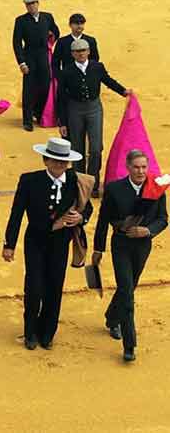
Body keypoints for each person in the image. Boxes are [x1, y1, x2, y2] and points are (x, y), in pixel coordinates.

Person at [3, 137, 93, 350]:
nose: (60, 165)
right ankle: (30, 332)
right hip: (35, 239)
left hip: (60, 242)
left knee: (54, 287)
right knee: (34, 287)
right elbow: (16, 214)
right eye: (55, 160)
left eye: (63, 162)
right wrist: (9, 244)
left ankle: (47, 333)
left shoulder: (75, 181)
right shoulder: (29, 181)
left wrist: (81, 219)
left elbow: (86, 208)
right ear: (45, 160)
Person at [93, 149, 168, 362]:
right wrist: (98, 249)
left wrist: (149, 230)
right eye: (136, 167)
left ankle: (112, 317)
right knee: (127, 291)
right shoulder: (115, 189)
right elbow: (103, 220)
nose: (141, 171)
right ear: (127, 167)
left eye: (144, 167)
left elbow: (163, 219)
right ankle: (129, 345)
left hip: (143, 245)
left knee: (130, 285)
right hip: (121, 245)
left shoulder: (157, 188)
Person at [57, 38, 130, 197]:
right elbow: (61, 98)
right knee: (77, 148)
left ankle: (93, 183)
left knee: (96, 148)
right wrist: (62, 122)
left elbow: (108, 81)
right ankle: (79, 183)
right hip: (74, 110)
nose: (81, 54)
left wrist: (123, 91)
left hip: (94, 109)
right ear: (72, 54)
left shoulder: (97, 67)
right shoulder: (66, 72)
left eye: (83, 50)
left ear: (89, 51)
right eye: (77, 51)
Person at [12, 0, 60, 131]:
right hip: (29, 57)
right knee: (29, 89)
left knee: (45, 86)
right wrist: (21, 62)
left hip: (44, 56)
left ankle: (38, 113)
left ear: (38, 4)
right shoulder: (20, 21)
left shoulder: (47, 17)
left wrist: (51, 37)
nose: (31, 6)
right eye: (28, 5)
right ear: (26, 7)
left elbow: (56, 32)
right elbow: (17, 43)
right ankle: (27, 120)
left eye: (33, 4)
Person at [52, 13, 100, 79]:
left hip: (86, 76)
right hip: (68, 77)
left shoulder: (91, 41)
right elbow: (55, 62)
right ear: (70, 25)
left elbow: (95, 59)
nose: (79, 26)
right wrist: (60, 77)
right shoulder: (62, 42)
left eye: (82, 23)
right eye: (76, 23)